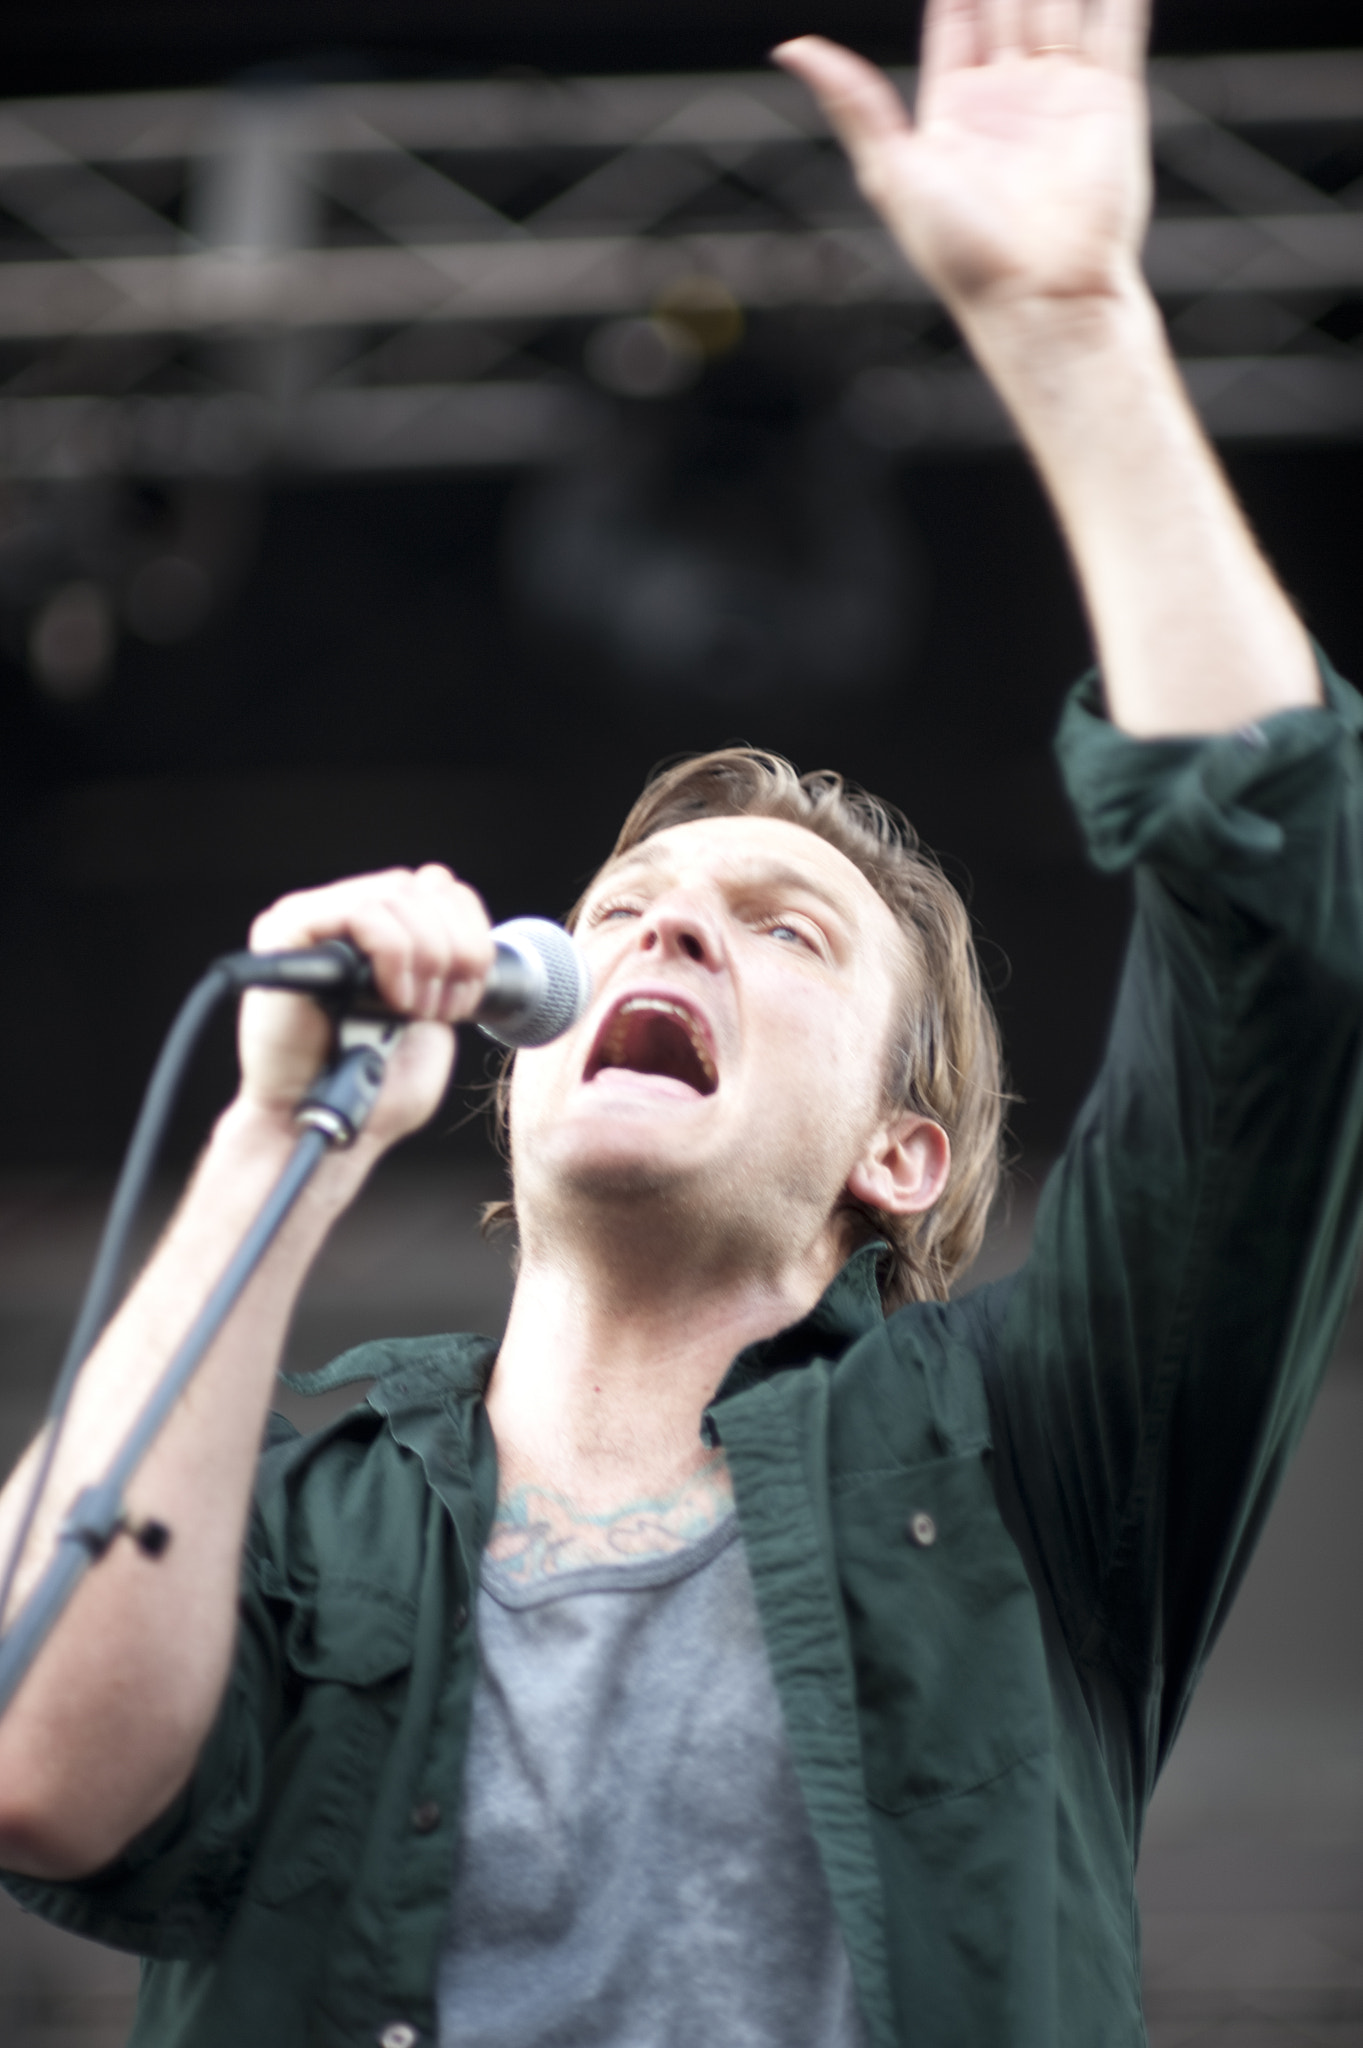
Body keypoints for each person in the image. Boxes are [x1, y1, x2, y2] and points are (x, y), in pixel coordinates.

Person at [1, 1, 1360, 2043]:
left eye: (784, 930)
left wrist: (1073, 326)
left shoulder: (1031, 1463)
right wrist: (283, 1140)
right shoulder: (321, 1506)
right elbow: (39, 1758)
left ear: (900, 1153)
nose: (674, 934)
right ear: (525, 1064)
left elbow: (1280, 930)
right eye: (627, 910)